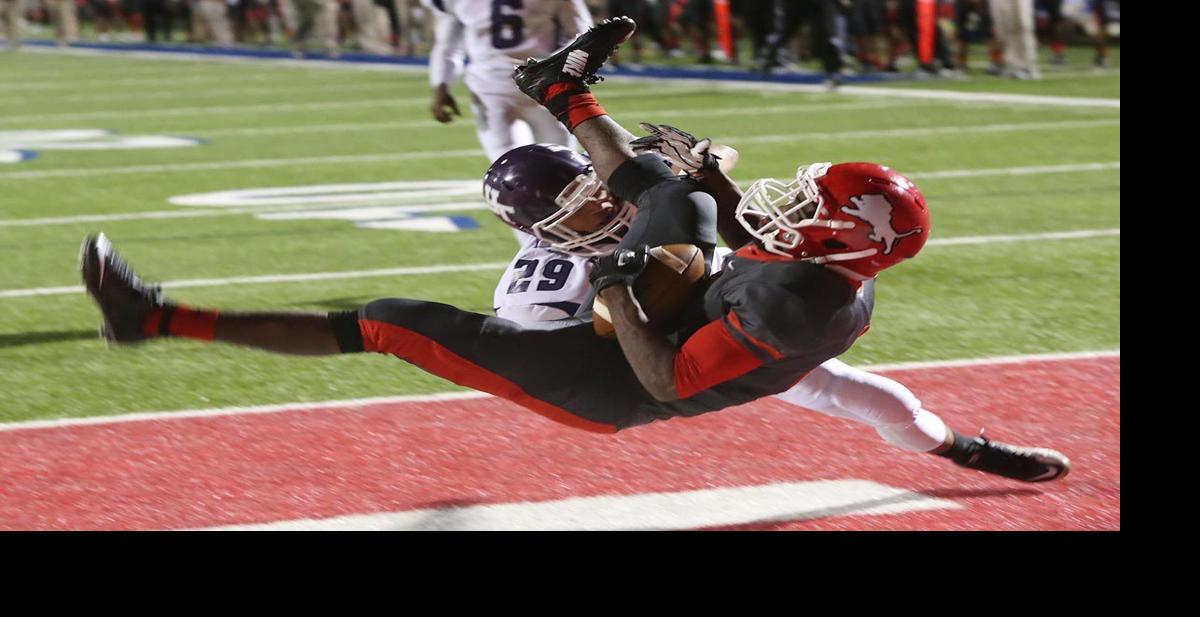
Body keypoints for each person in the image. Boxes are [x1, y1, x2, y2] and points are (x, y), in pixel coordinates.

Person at [79, 18, 1067, 483]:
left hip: (629, 380)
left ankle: (153, 318)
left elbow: (671, 385)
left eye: (809, 204)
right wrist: (706, 191)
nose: (788, 200)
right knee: (671, 194)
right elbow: (717, 230)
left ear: (837, 244)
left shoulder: (794, 302)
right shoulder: (818, 266)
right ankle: (565, 88)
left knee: (387, 322)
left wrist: (616, 282)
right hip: (705, 323)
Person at [484, 136, 1068, 482]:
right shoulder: (536, 291)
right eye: (585, 207)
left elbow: (708, 173)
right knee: (842, 383)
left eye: (598, 186)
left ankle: (963, 450)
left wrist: (702, 170)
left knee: (875, 398)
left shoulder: (638, 207)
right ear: (542, 228)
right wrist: (621, 306)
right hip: (674, 358)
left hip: (734, 318)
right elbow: (567, 363)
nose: (607, 202)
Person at [422, 0, 593, 165]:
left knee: (516, 169)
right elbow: (583, 36)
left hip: (498, 88)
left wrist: (441, 86)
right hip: (543, 87)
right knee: (560, 168)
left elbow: (448, 47)